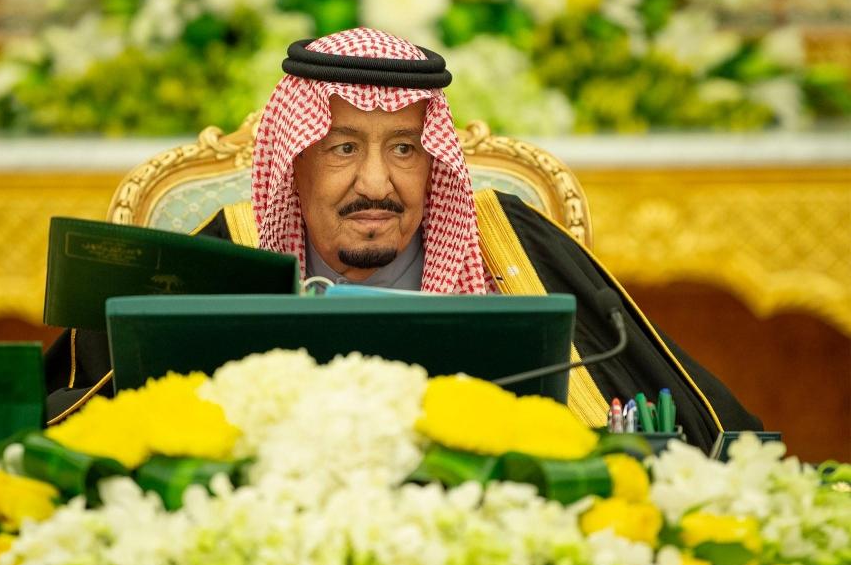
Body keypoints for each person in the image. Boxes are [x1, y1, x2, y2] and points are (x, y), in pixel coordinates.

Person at [45, 27, 762, 452]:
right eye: (343, 147)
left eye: (404, 149)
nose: (376, 183)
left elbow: (691, 422)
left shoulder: (512, 245)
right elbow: (76, 418)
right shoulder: (228, 254)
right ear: (293, 162)